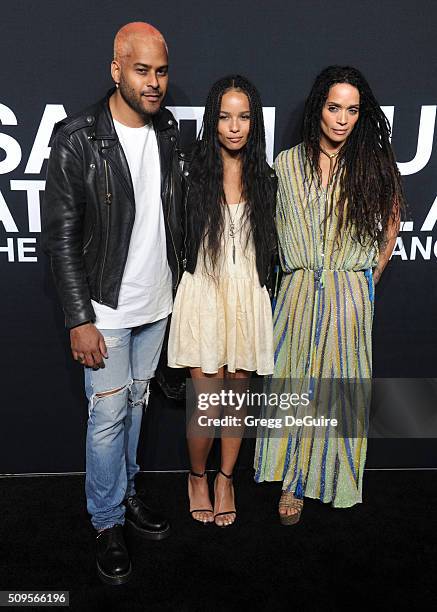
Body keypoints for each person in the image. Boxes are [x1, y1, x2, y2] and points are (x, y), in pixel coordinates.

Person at [42, 22, 182, 584]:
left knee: (137, 407)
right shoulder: (78, 138)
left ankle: (124, 498)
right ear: (116, 69)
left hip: (158, 304)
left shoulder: (168, 129)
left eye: (162, 71)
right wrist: (80, 317)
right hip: (105, 309)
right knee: (106, 419)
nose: (154, 83)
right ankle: (105, 522)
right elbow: (62, 236)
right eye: (142, 70)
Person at [254, 65, 404, 524]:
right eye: (334, 107)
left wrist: (364, 282)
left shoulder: (374, 165)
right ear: (319, 105)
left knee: (339, 393)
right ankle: (292, 482)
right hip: (297, 291)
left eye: (352, 110)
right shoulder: (287, 163)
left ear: (362, 115)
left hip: (348, 294)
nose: (341, 119)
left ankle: (332, 477)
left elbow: (392, 224)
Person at [168, 75, 277, 527]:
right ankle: (197, 476)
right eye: (225, 116)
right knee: (206, 402)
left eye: (245, 116)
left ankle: (226, 479)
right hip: (205, 295)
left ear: (255, 123)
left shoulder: (266, 179)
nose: (235, 127)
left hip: (248, 296)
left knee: (237, 397)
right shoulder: (190, 172)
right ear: (213, 120)